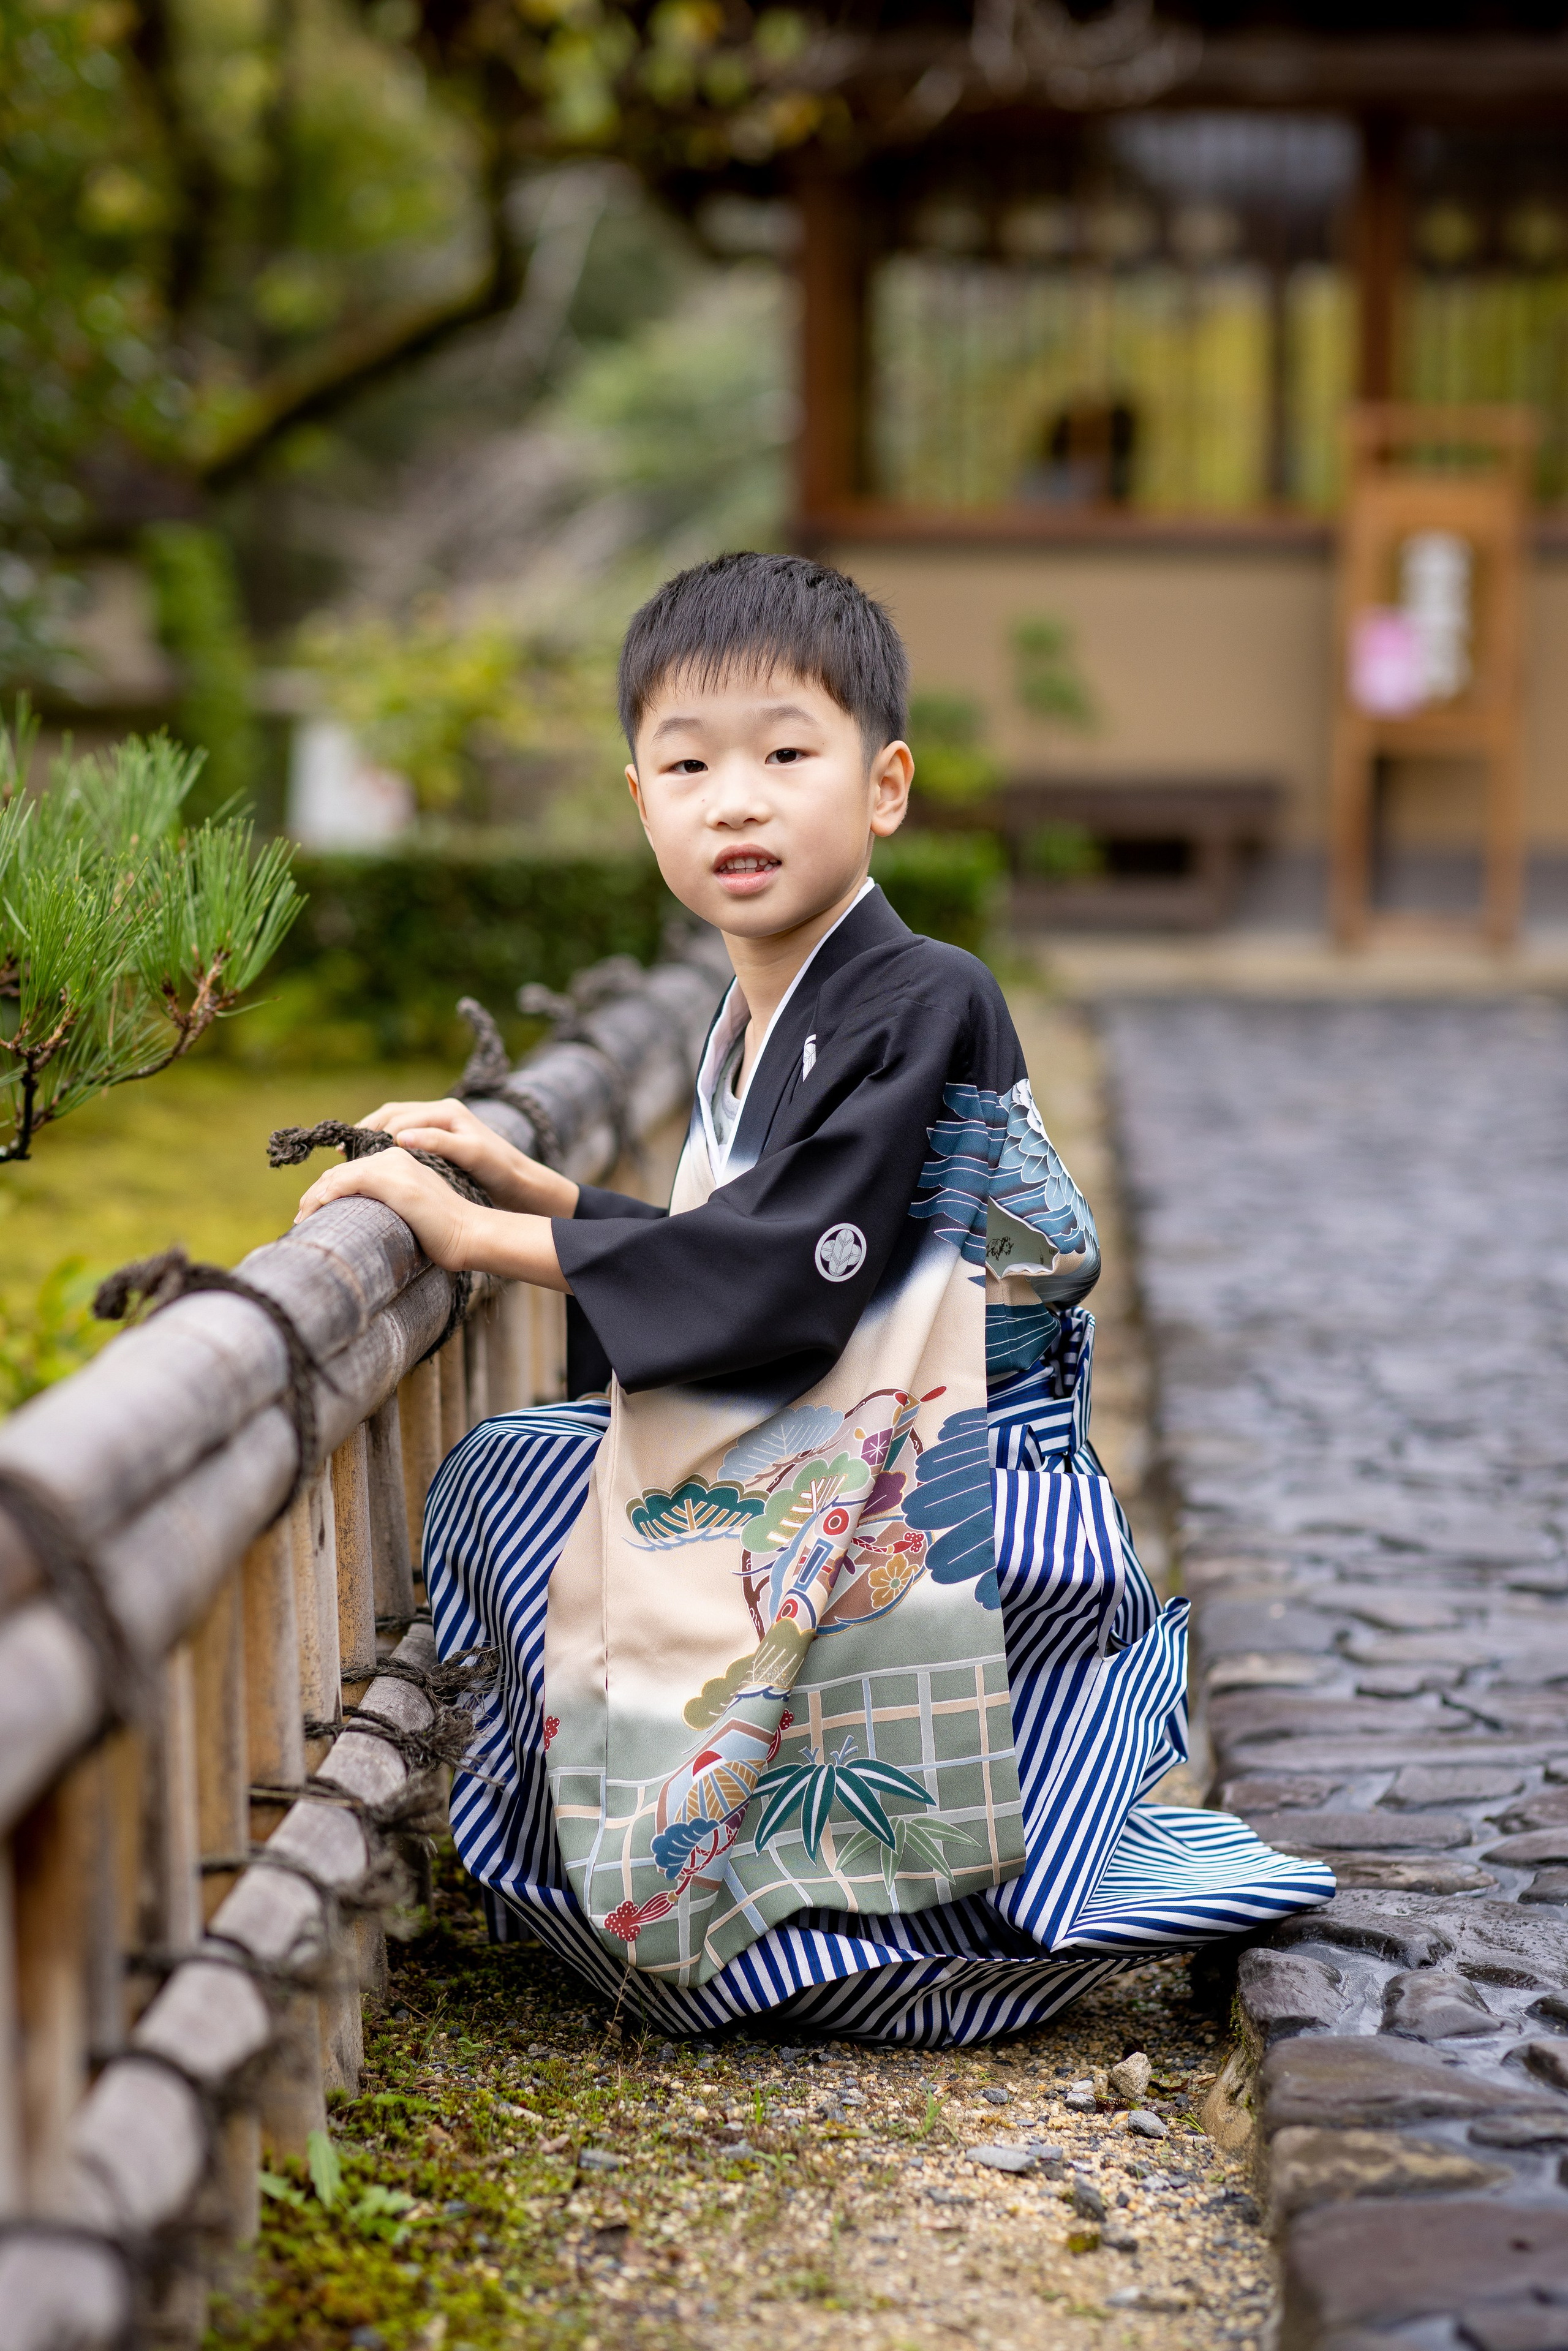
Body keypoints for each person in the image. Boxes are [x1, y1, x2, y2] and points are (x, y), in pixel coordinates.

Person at [295, 552, 1329, 2042]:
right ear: (637, 800)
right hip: (860, 1444)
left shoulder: (929, 993)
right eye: (688, 765)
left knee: (514, 1481)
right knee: (520, 1474)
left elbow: (788, 1271)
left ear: (883, 785)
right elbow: (765, 1244)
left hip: (961, 1486)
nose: (736, 801)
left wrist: (469, 1234)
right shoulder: (760, 1010)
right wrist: (543, 1194)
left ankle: (815, 1926)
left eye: (785, 755)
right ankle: (725, 1885)